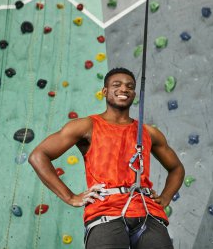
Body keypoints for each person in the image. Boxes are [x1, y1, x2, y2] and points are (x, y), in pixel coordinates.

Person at [29, 67, 185, 249]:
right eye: (116, 85)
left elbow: (177, 169)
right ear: (105, 91)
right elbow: (38, 156)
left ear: (134, 93)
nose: (124, 89)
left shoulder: (149, 132)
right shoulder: (86, 126)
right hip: (105, 213)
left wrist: (165, 197)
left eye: (130, 86)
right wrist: (71, 197)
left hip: (147, 213)